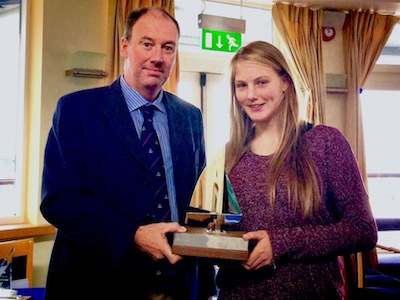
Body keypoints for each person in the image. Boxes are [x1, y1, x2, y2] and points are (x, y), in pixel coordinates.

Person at [41, 7, 215, 300]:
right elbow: (58, 200)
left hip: (179, 284)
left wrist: (207, 283)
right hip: (100, 283)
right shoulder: (77, 110)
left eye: (168, 47)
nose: (157, 57)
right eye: (147, 44)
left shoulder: (190, 117)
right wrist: (132, 235)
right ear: (125, 46)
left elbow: (196, 205)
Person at [216, 41, 378, 299]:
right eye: (241, 85)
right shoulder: (226, 156)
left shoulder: (325, 143)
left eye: (261, 82)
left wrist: (281, 243)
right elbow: (219, 234)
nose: (251, 95)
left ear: (285, 83)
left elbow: (362, 230)